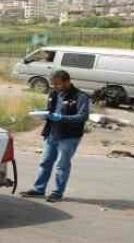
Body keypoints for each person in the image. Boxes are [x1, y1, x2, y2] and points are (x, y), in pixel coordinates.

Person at [20, 70, 90, 202]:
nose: (55, 87)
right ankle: (39, 189)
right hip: (52, 133)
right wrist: (42, 113)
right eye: (53, 84)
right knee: (45, 162)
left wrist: (62, 117)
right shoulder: (54, 93)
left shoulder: (80, 96)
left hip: (69, 136)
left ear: (67, 81)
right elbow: (51, 110)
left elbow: (82, 116)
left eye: (57, 84)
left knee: (61, 165)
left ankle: (57, 192)